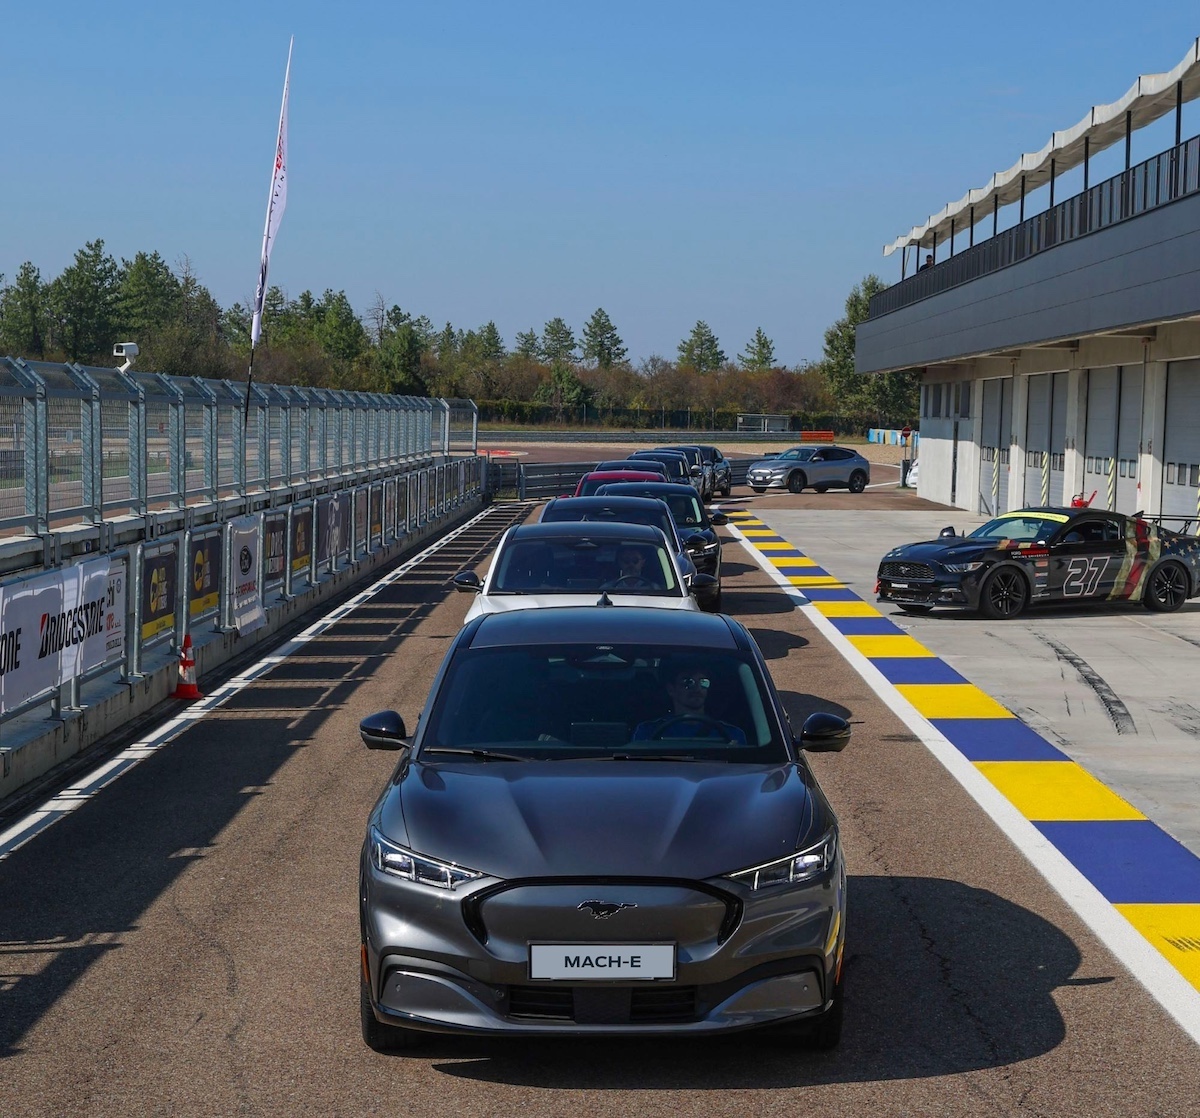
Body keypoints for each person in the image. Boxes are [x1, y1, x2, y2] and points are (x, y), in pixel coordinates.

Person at [633, 663, 747, 744]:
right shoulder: (647, 732)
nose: (697, 688)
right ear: (671, 689)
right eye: (688, 682)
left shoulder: (732, 734)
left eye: (703, 682)